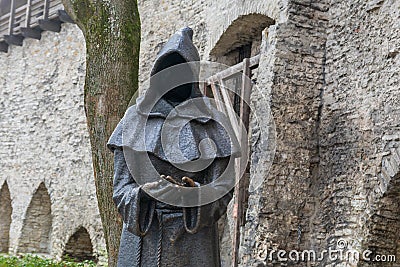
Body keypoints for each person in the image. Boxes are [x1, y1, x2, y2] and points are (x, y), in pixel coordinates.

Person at [107, 27, 240, 267]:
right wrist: (144, 194)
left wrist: (194, 193)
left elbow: (222, 191)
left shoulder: (212, 123)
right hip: (145, 238)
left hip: (194, 243)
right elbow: (120, 190)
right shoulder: (135, 119)